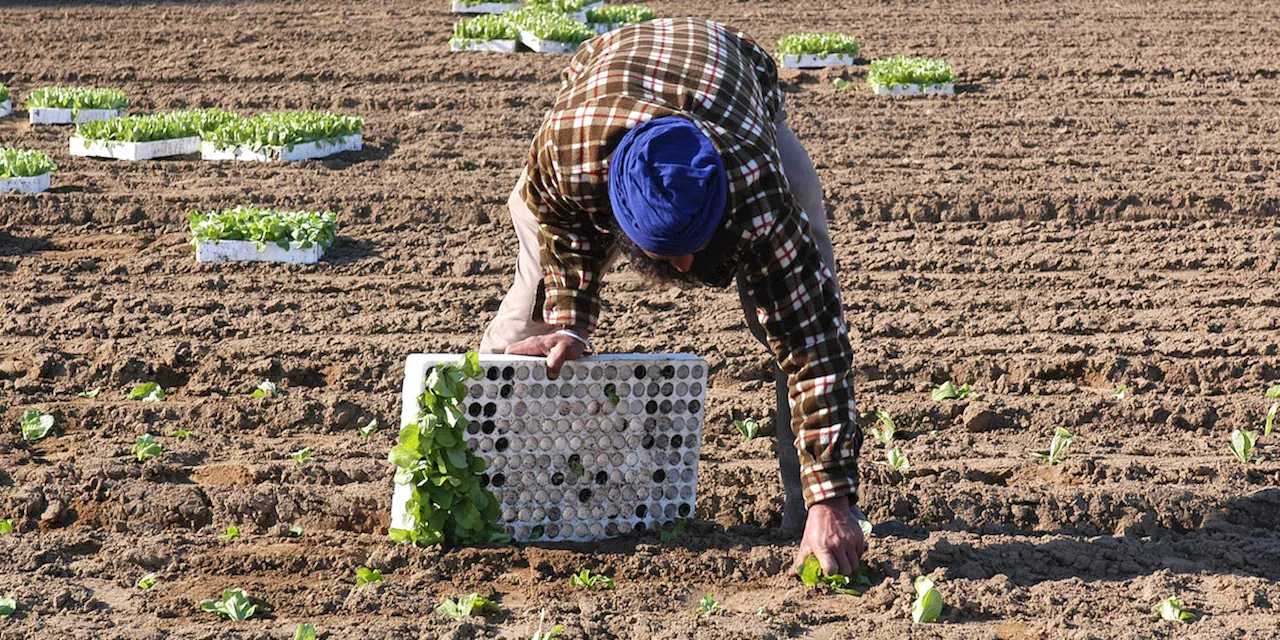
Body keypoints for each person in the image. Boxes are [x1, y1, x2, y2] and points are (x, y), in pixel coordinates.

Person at [479, 17, 864, 576]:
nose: (684, 269)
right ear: (616, 215)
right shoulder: (566, 159)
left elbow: (814, 340)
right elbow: (560, 230)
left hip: (736, 97)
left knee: (798, 308)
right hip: (599, 101)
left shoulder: (755, 187)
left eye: (693, 246)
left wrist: (831, 495)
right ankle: (485, 488)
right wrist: (570, 321)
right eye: (667, 255)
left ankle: (810, 512)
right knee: (529, 328)